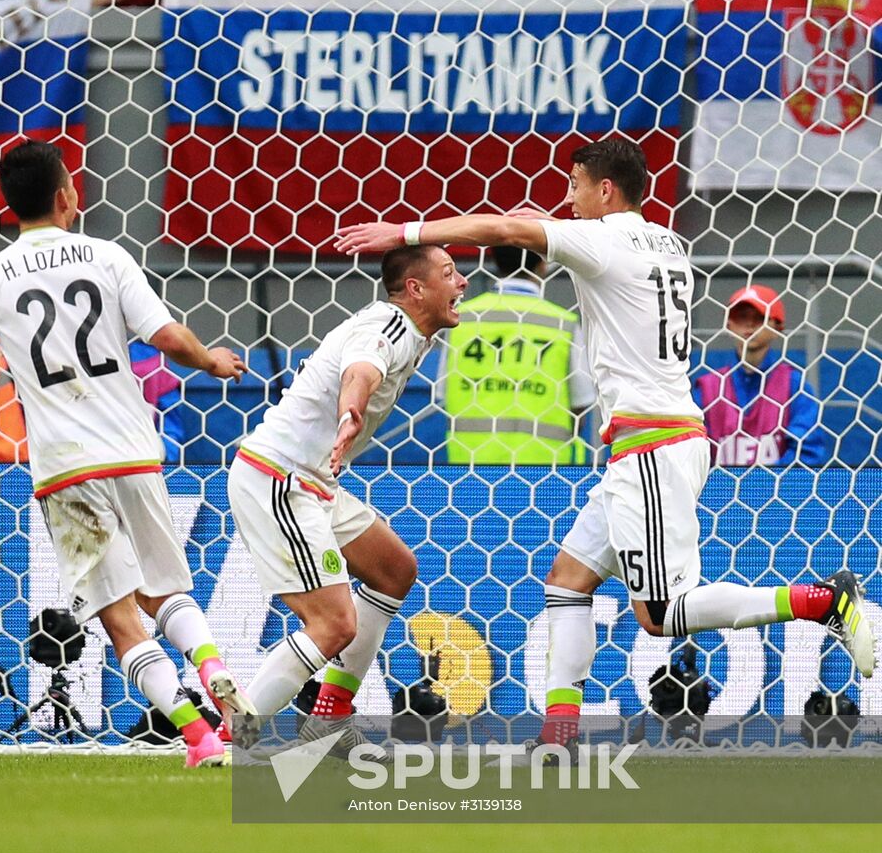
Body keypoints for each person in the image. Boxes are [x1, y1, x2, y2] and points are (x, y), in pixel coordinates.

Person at [337, 137, 874, 754]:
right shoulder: (668, 242)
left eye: (574, 185)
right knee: (568, 582)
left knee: (662, 615)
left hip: (654, 448)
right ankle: (559, 738)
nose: (567, 198)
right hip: (655, 436)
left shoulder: (605, 239)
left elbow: (507, 227)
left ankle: (822, 602)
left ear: (605, 190)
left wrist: (404, 234)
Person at [0, 140, 255, 768]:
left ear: (9, 205)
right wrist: (213, 359)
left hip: (66, 466)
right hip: (135, 451)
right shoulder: (108, 255)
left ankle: (197, 738)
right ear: (67, 197)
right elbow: (166, 337)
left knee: (120, 620)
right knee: (167, 592)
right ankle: (217, 672)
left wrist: (3, 370)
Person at [225, 245, 465, 752]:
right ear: (416, 290)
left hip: (314, 482)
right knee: (333, 623)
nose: (461, 282)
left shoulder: (414, 333)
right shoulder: (390, 327)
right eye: (449, 273)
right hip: (280, 478)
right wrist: (350, 412)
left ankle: (329, 719)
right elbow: (362, 369)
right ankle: (231, 738)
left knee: (394, 569)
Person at [437, 246, 594, 464]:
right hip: (548, 471)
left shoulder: (463, 318)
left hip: (470, 469)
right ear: (543, 264)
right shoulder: (562, 323)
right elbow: (582, 400)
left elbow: (443, 393)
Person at [693, 284, 827, 466]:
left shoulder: (795, 386)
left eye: (760, 317)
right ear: (728, 324)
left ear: (778, 326)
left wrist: (762, 486)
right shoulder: (707, 388)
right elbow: (691, 454)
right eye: (741, 316)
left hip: (779, 493)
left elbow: (807, 455)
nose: (749, 324)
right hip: (719, 492)